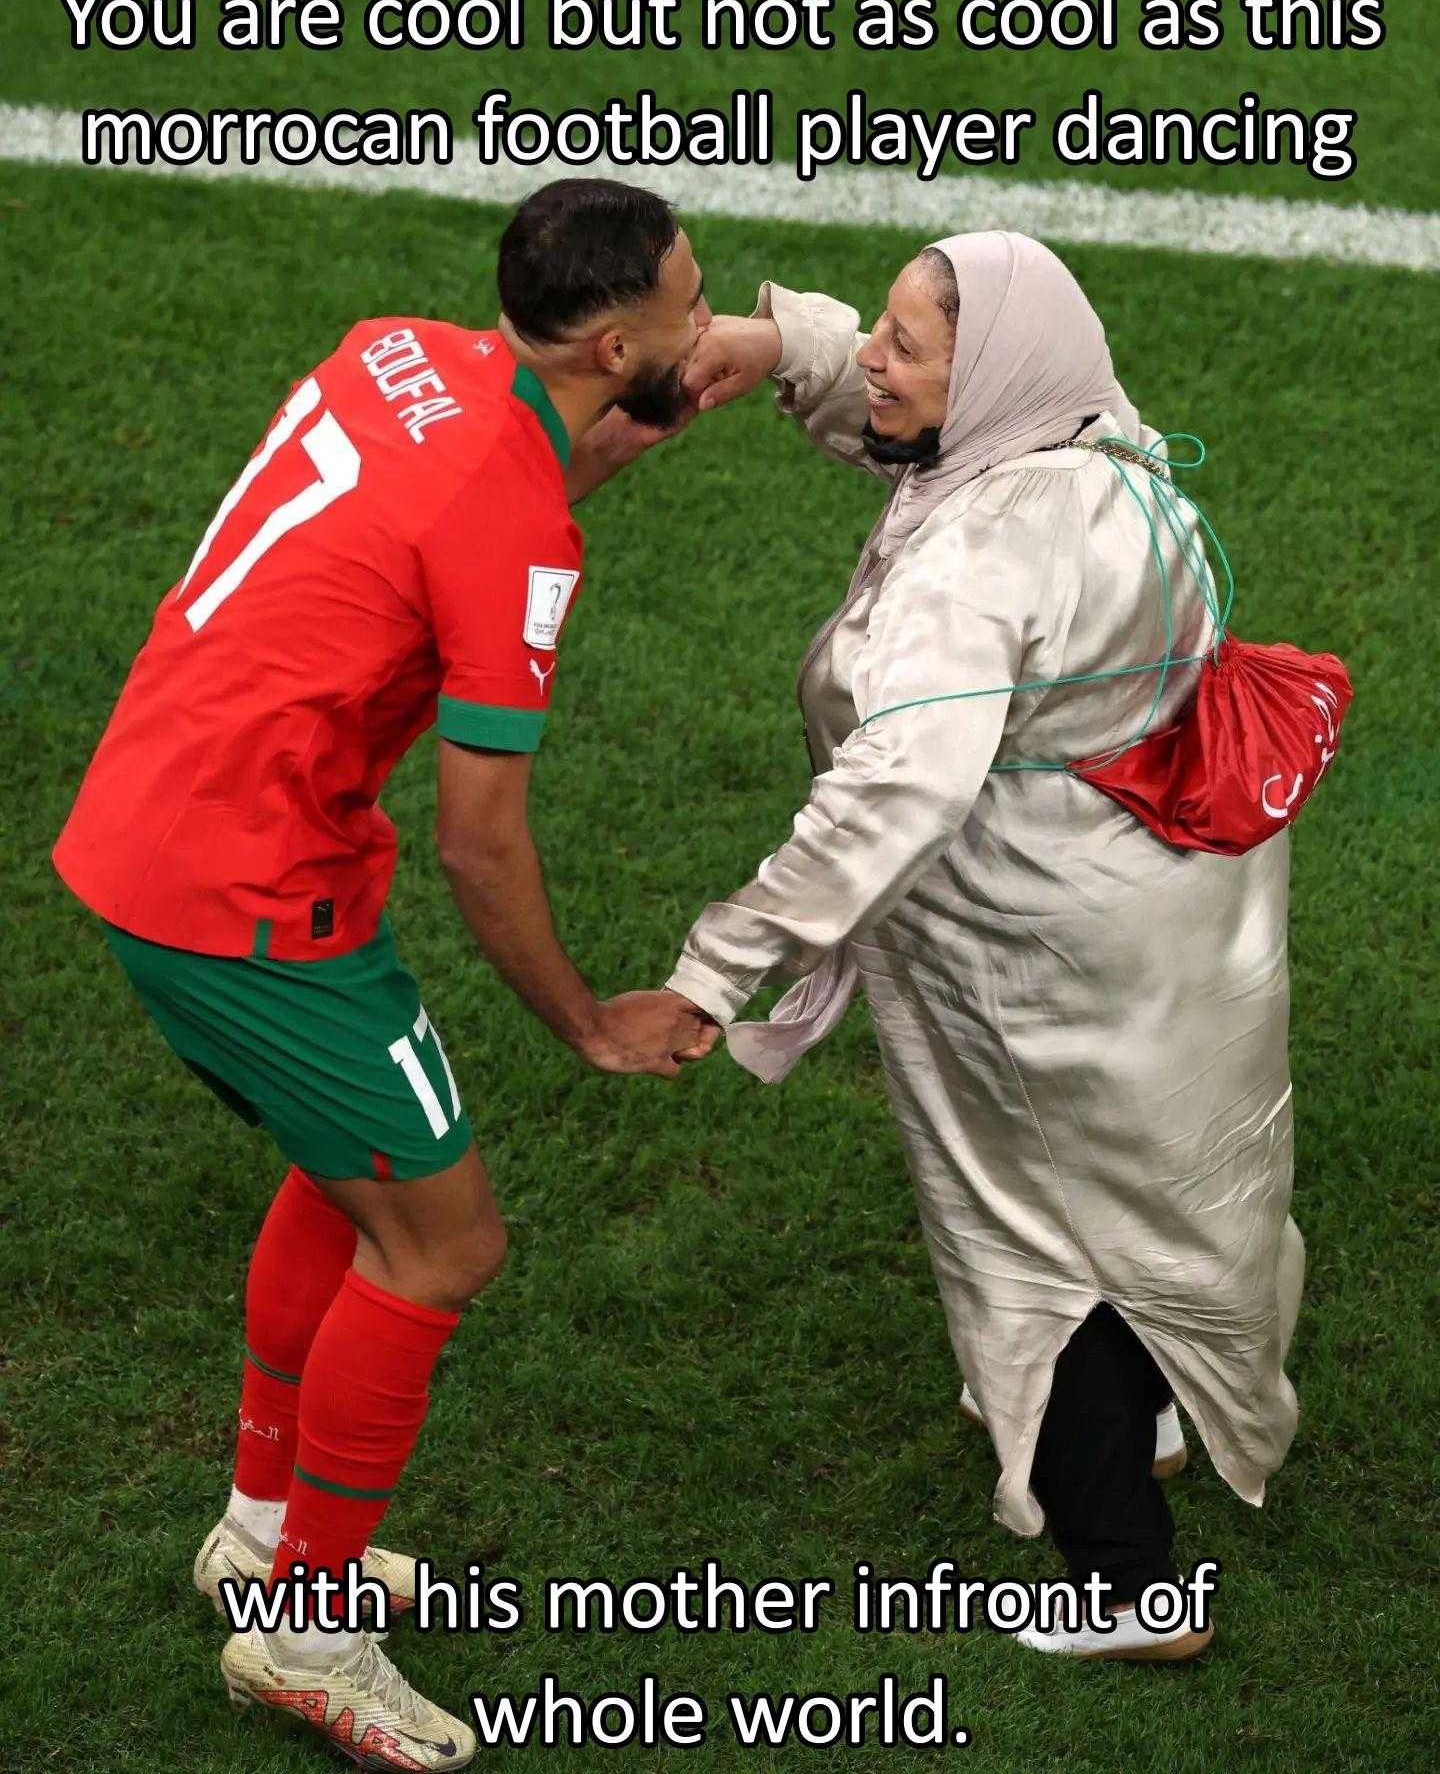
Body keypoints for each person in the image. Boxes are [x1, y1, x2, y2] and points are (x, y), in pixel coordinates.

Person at [52, 178, 719, 1769]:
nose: (708, 318)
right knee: (443, 1246)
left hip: (161, 822)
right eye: (692, 305)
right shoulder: (515, 529)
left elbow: (521, 470)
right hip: (250, 898)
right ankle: (307, 1631)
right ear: (613, 338)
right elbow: (483, 843)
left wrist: (735, 360)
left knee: (347, 1176)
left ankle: (260, 1532)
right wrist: (590, 1021)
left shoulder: (401, 350)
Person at [667, 231, 1303, 1662]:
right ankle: (1145, 1419)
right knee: (1136, 1182)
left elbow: (897, 789)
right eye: (877, 334)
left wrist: (718, 967)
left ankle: (1131, 1588)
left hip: (1030, 948)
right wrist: (792, 347)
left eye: (904, 342)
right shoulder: (1095, 425)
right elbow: (920, 421)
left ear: (993, 372)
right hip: (1162, 913)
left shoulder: (973, 564)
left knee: (1036, 1233)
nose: (877, 364)